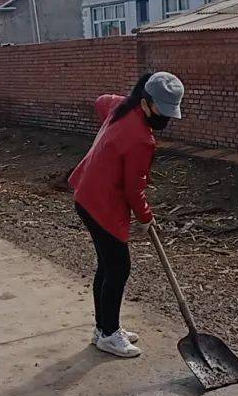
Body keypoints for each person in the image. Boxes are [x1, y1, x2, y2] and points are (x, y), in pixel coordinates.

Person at [69, 71, 185, 358]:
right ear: (146, 101)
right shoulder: (142, 140)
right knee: (118, 268)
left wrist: (109, 141)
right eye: (162, 110)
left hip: (86, 194)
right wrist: (146, 218)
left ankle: (104, 328)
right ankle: (108, 334)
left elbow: (101, 101)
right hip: (102, 204)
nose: (165, 118)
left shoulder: (120, 106)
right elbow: (134, 191)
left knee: (107, 266)